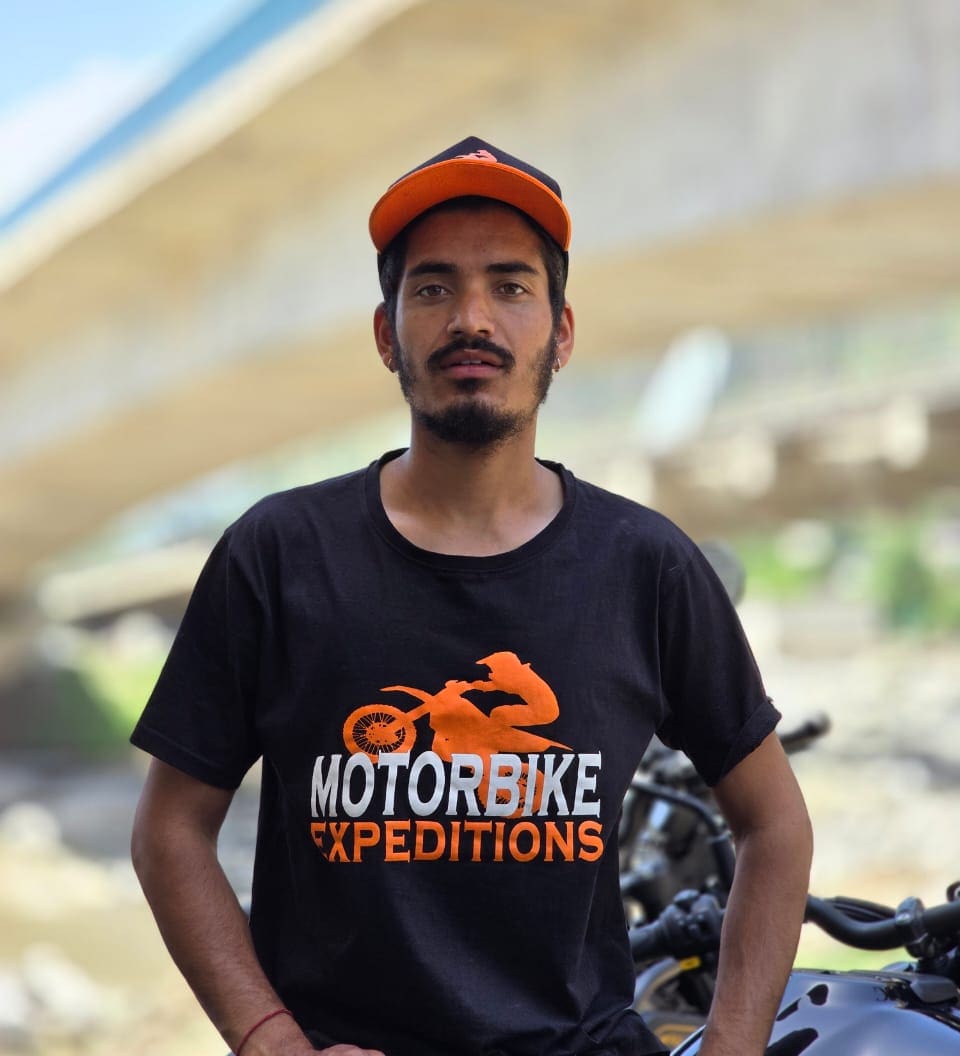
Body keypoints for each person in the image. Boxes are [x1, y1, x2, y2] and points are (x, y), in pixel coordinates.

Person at [130, 136, 813, 1056]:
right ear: (388, 333)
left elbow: (773, 824)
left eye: (512, 286)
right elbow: (171, 828)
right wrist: (270, 1040)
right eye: (433, 287)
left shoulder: (645, 563)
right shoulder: (280, 553)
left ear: (561, 333)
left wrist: (731, 1043)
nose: (472, 318)